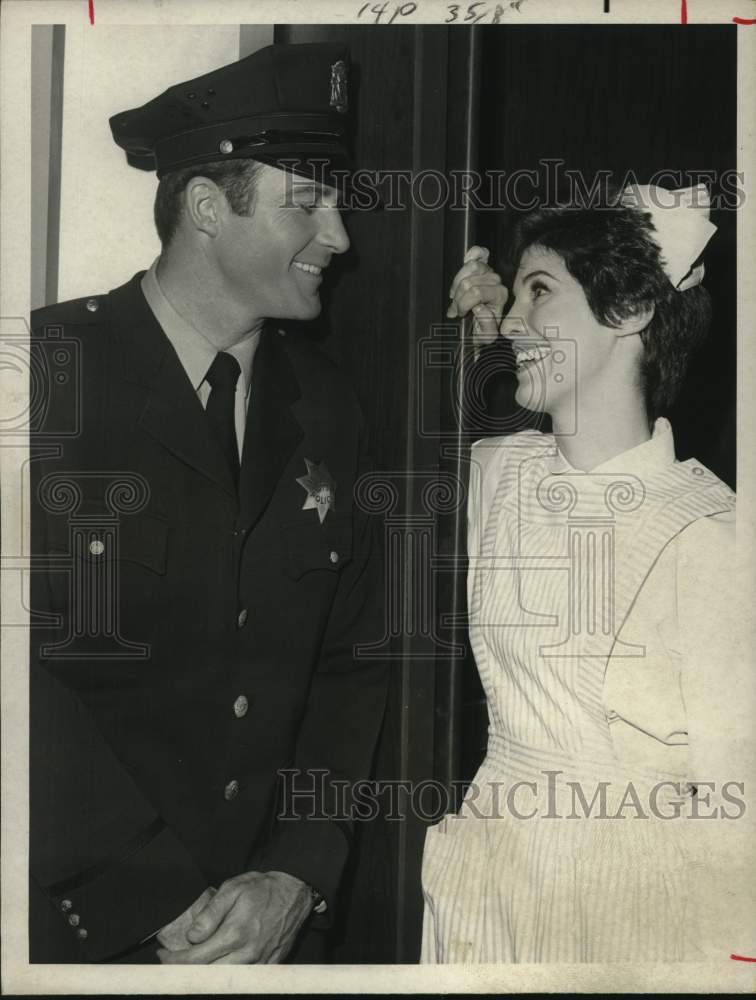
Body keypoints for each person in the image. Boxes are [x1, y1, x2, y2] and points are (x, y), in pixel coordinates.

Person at [29, 43, 387, 964]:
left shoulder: (330, 408)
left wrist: (299, 871)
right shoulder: (42, 377)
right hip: (78, 933)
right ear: (203, 210)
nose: (340, 237)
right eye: (307, 203)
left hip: (267, 938)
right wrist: (153, 891)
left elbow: (352, 664)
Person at [421, 184, 755, 962]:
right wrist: (472, 337)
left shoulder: (711, 535)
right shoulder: (501, 474)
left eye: (540, 291)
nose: (512, 320)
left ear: (631, 309)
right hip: (485, 889)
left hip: (625, 918)